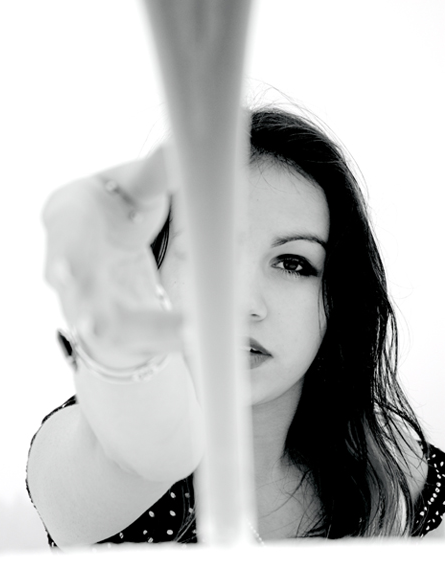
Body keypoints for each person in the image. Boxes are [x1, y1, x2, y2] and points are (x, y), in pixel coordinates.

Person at [26, 107, 445, 548]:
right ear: (152, 269)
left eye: (293, 263)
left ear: (336, 299)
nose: (245, 304)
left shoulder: (387, 467)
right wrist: (115, 296)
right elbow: (143, 452)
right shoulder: (76, 452)